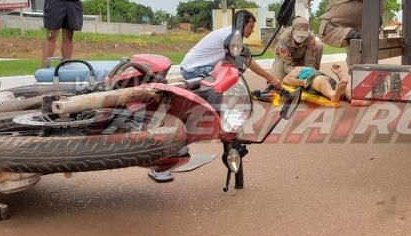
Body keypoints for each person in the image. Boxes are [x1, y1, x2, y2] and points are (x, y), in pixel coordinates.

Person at [147, 10, 281, 184]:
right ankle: (176, 148)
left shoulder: (231, 37)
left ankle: (215, 132)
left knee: (229, 92)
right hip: (194, 70)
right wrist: (271, 78)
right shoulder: (231, 37)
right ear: (242, 23)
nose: (252, 30)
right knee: (216, 106)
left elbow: (241, 63)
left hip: (200, 67)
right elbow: (249, 61)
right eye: (251, 26)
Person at [271, 16, 324, 82]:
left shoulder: (310, 37)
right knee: (277, 80)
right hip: (285, 60)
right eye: (299, 34)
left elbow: (310, 62)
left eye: (303, 34)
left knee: (319, 45)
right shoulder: (284, 39)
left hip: (301, 57)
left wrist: (310, 74)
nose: (301, 37)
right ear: (293, 31)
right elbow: (288, 65)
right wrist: (299, 74)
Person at [283, 63, 349, 104]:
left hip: (327, 81)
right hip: (313, 80)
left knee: (346, 87)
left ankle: (352, 96)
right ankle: (333, 95)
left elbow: (343, 84)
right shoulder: (295, 70)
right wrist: (304, 82)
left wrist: (338, 73)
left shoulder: (311, 69)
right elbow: (285, 80)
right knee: (321, 79)